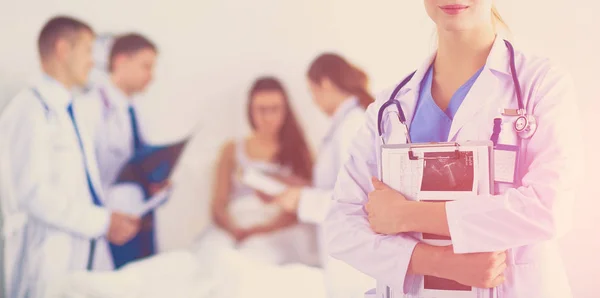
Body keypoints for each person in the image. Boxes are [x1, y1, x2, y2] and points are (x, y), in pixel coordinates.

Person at [324, 1, 582, 298]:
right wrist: (437, 262)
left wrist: (408, 214)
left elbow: (548, 208)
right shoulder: (389, 107)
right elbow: (341, 225)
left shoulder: (541, 84)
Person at [0, 16, 141, 298]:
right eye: (88, 50)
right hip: (47, 260)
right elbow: (34, 193)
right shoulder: (30, 110)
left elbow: (80, 187)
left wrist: (108, 218)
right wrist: (102, 221)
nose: (93, 61)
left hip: (81, 253)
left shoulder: (69, 110)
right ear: (63, 49)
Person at [269, 54, 375, 297]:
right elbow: (339, 183)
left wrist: (301, 199)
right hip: (342, 248)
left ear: (325, 84)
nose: (314, 101)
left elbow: (357, 198)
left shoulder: (352, 125)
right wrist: (302, 188)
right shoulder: (345, 124)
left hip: (353, 255)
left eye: (312, 91)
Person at [199, 77, 318, 266]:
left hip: (278, 231)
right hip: (235, 227)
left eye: (275, 109)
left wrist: (262, 230)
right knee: (219, 260)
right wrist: (234, 230)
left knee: (258, 261)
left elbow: (306, 204)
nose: (268, 117)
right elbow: (218, 204)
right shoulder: (231, 149)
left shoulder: (300, 151)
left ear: (285, 111)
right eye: (261, 110)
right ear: (250, 110)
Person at [77, 33, 168, 269]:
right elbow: (81, 177)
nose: (152, 76)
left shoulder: (138, 109)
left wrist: (159, 183)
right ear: (120, 62)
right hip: (110, 224)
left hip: (142, 219)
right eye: (145, 66)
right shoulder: (89, 109)